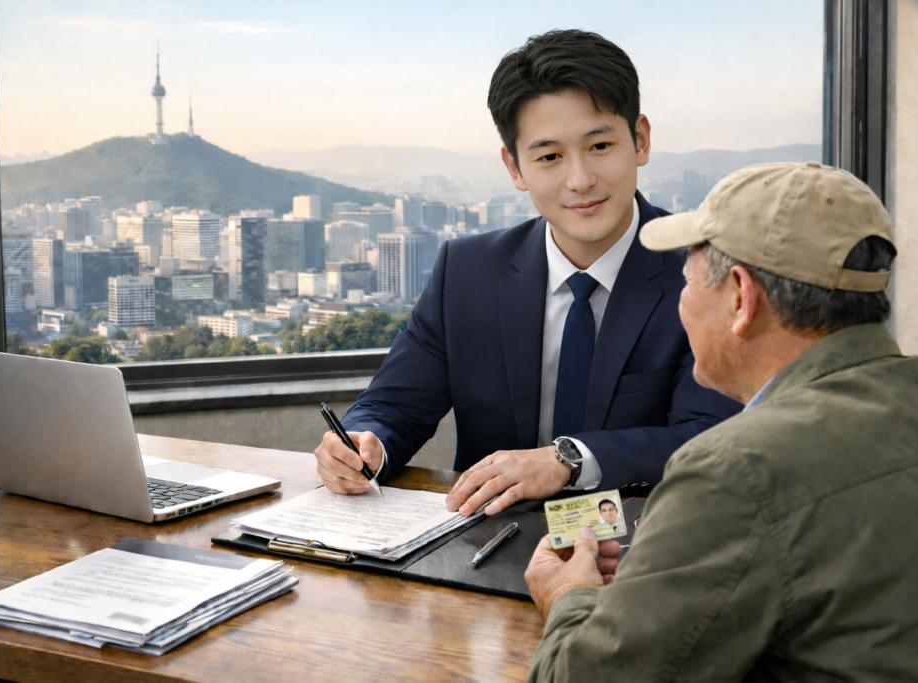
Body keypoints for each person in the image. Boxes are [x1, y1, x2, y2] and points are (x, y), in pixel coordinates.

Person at [523, 161, 918, 681]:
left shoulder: (732, 471)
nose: (681, 304)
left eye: (686, 283)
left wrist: (567, 594)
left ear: (741, 297)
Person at [313, 29, 740, 517]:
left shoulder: (705, 272)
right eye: (549, 157)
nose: (580, 180)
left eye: (600, 145)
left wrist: (570, 461)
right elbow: (394, 405)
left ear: (640, 139)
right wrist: (364, 444)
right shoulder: (466, 271)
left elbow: (712, 437)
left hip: (644, 541)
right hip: (488, 539)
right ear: (515, 167)